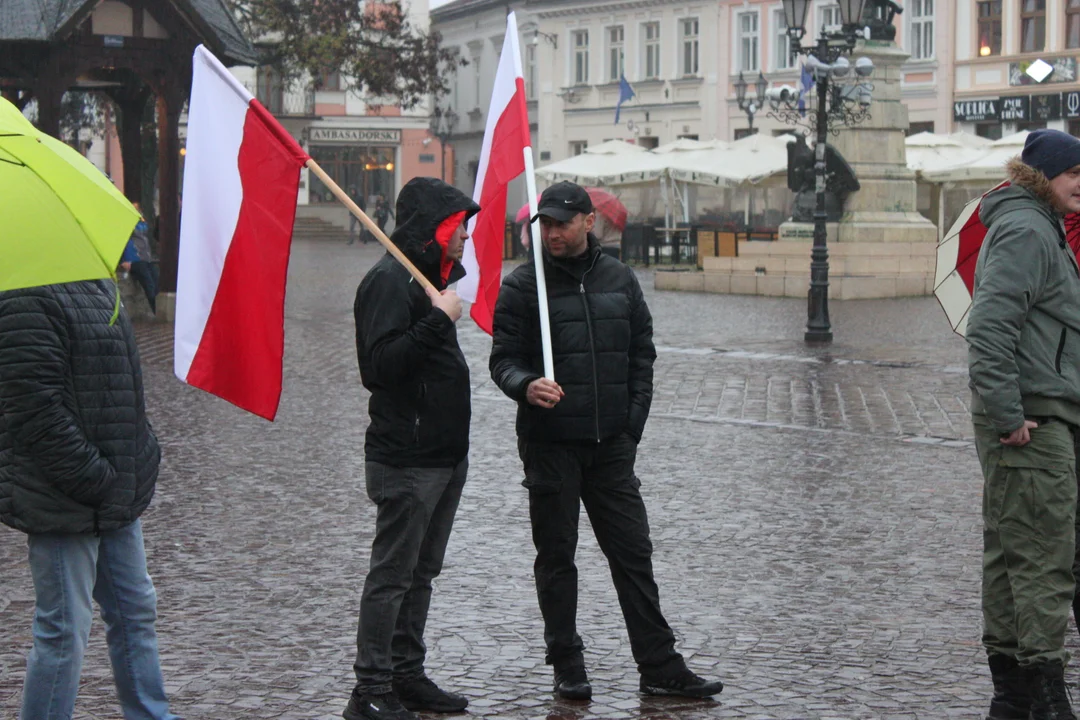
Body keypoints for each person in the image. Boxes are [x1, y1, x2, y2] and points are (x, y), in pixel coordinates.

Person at [488, 181, 724, 702]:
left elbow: (643, 355)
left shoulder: (620, 279)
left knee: (633, 553)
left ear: (588, 223)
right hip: (550, 443)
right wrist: (525, 386)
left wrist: (631, 425)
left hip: (611, 446)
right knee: (557, 558)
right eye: (544, 224)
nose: (551, 232)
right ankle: (567, 663)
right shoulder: (523, 286)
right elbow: (501, 359)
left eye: (561, 223)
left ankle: (659, 664)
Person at [0, 279, 177, 720]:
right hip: (65, 497)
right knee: (64, 628)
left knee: (135, 611)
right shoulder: (24, 295)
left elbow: (123, 382)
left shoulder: (98, 283)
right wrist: (92, 475)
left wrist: (141, 451)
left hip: (116, 489)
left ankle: (151, 714)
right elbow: (34, 409)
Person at [344, 177, 480, 720]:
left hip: (443, 456)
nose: (467, 235)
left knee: (421, 573)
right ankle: (370, 688)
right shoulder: (387, 282)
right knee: (392, 576)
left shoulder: (426, 279)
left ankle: (406, 673)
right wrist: (439, 319)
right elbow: (379, 368)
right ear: (433, 228)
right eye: (458, 225)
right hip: (406, 459)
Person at [967, 129, 1080, 720]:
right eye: (1075, 172)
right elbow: (988, 328)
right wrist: (1010, 416)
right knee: (1042, 552)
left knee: (1014, 549)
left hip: (1042, 408)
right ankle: (1046, 697)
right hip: (1032, 417)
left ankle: (1012, 695)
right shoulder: (1027, 229)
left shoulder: (1041, 226)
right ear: (1047, 175)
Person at [121, 201, 160, 313]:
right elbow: (124, 241)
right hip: (135, 259)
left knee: (156, 283)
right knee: (149, 286)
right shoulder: (126, 223)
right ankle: (156, 311)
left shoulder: (141, 222)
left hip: (146, 257)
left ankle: (157, 309)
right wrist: (125, 259)